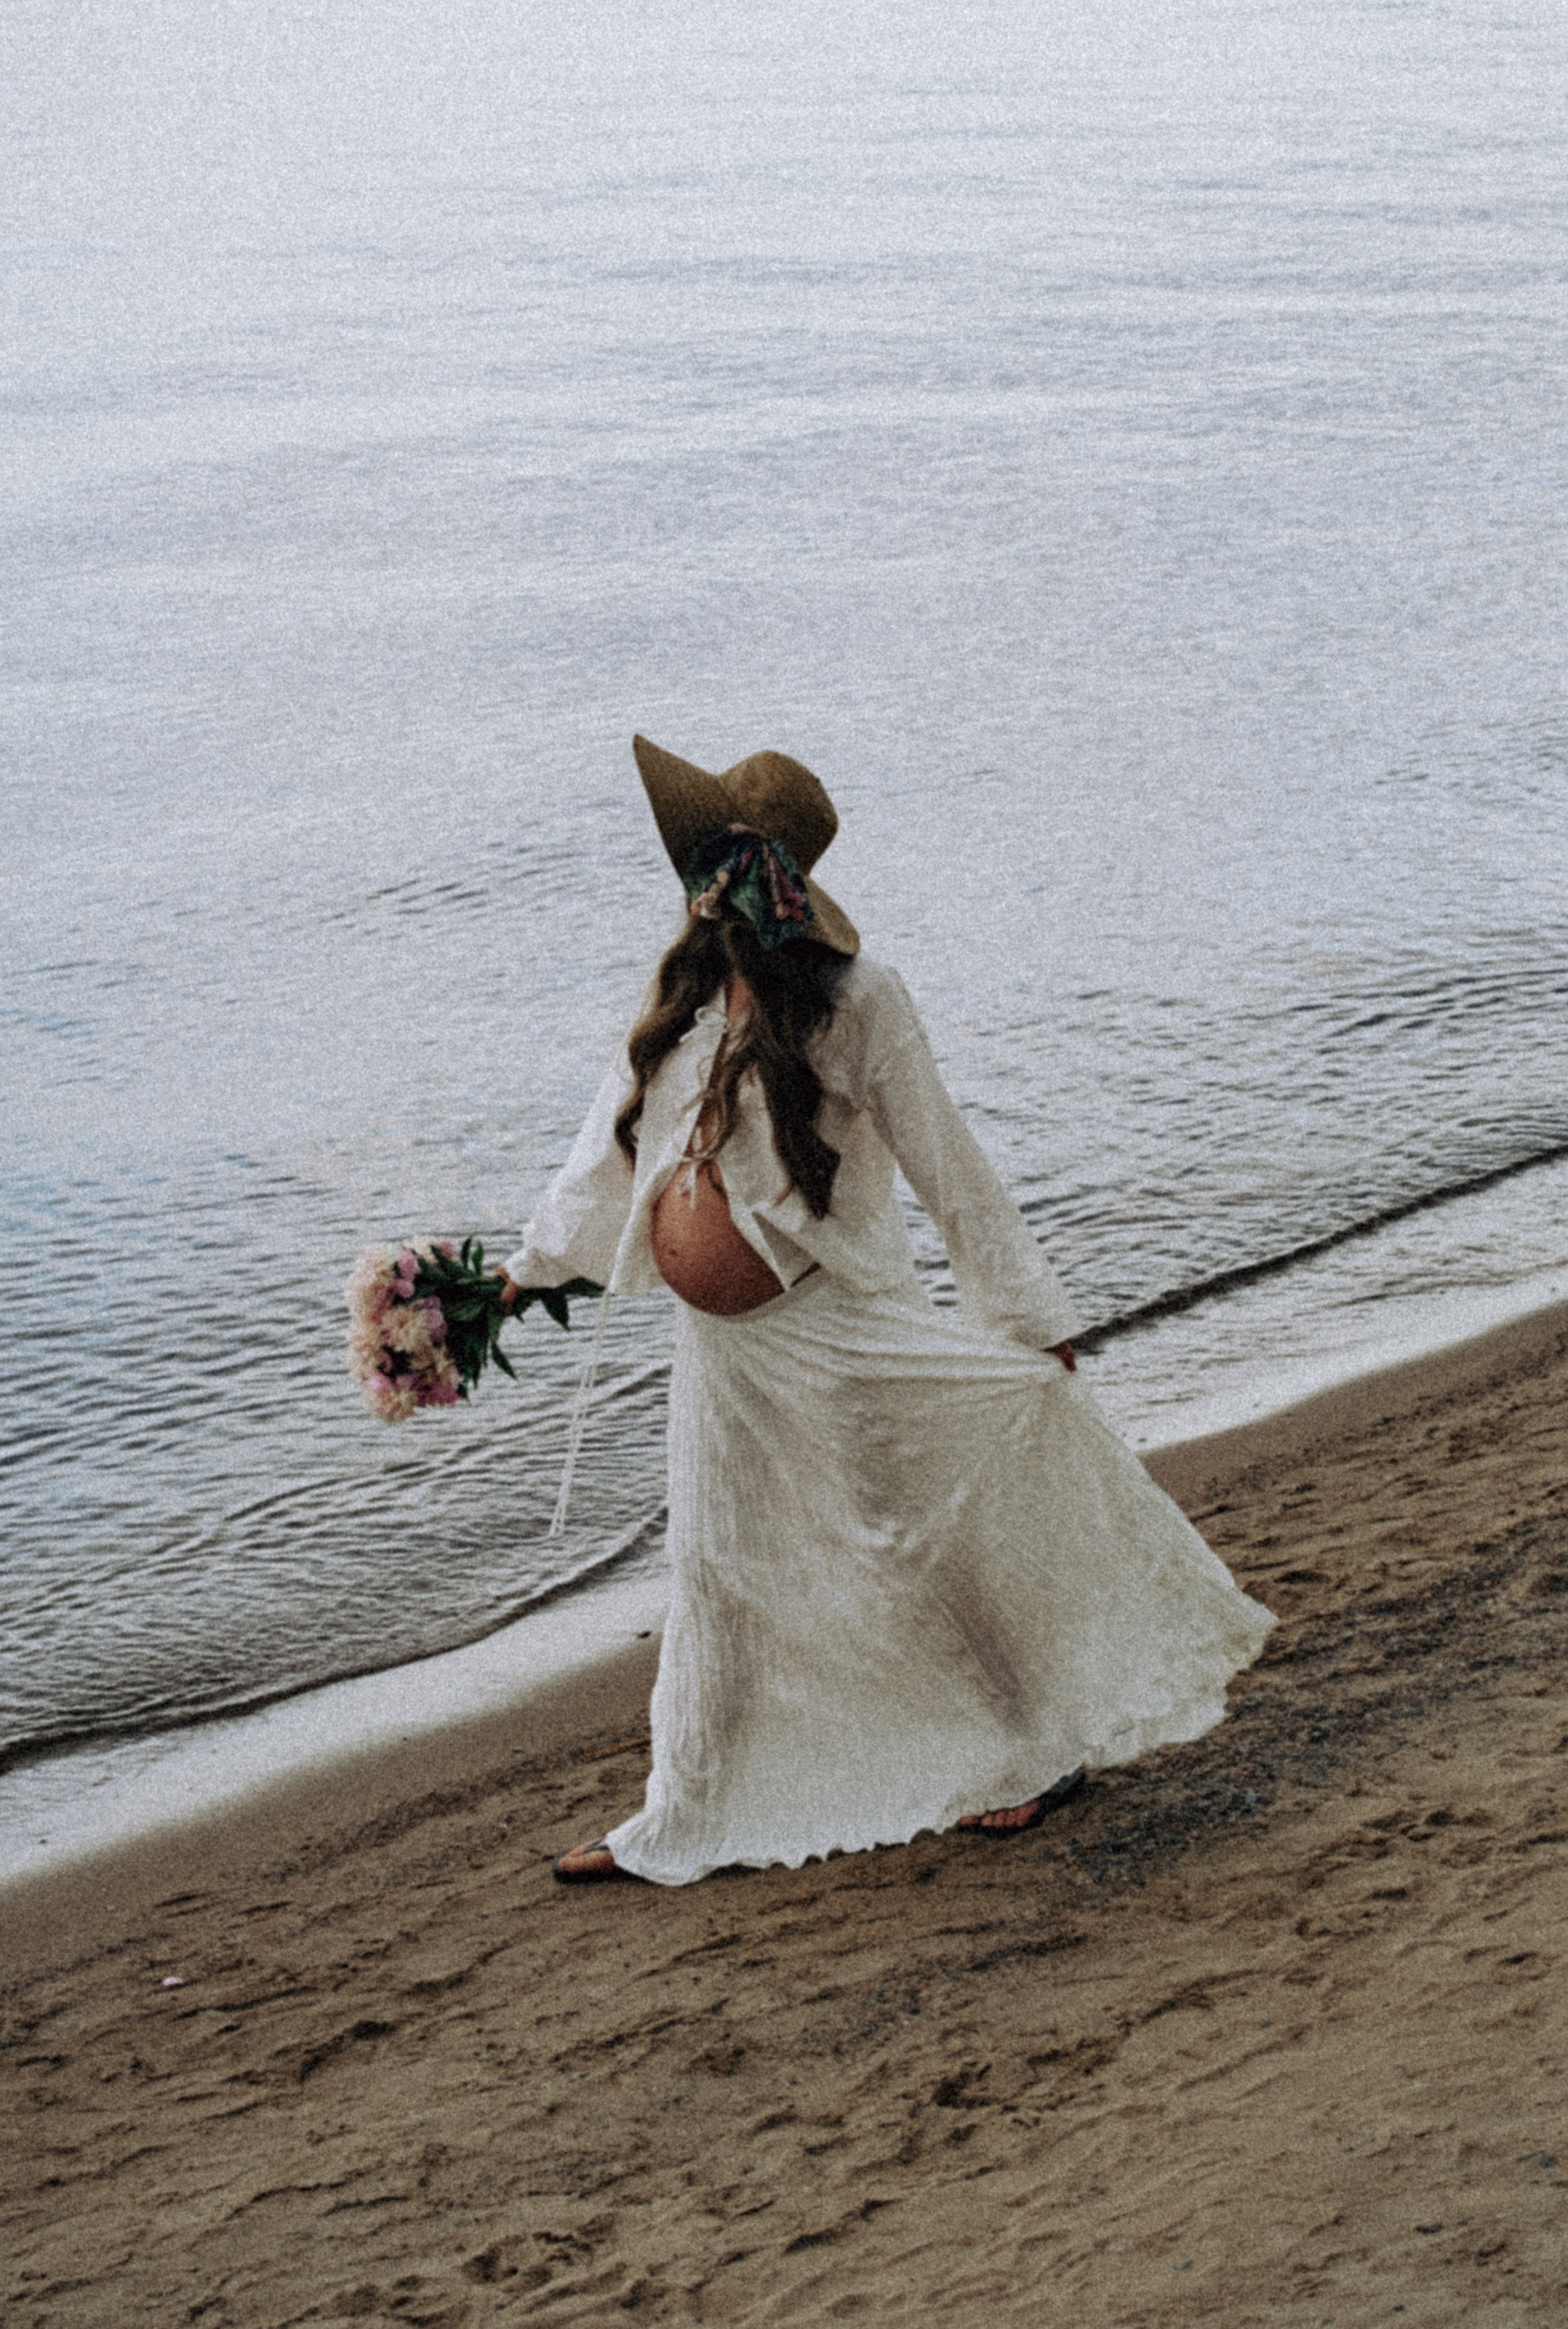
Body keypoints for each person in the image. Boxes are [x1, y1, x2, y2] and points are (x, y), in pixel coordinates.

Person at [499, 735, 1274, 1887]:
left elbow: (949, 1169)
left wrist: (1025, 1319)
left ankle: (1031, 1749)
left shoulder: (862, 1002)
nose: (714, 889)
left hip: (835, 1335)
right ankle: (684, 1812)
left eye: (734, 867)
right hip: (723, 1355)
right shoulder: (686, 995)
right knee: (718, 1569)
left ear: (775, 882)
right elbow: (606, 1147)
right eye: (707, 866)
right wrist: (522, 1273)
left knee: (912, 1543)